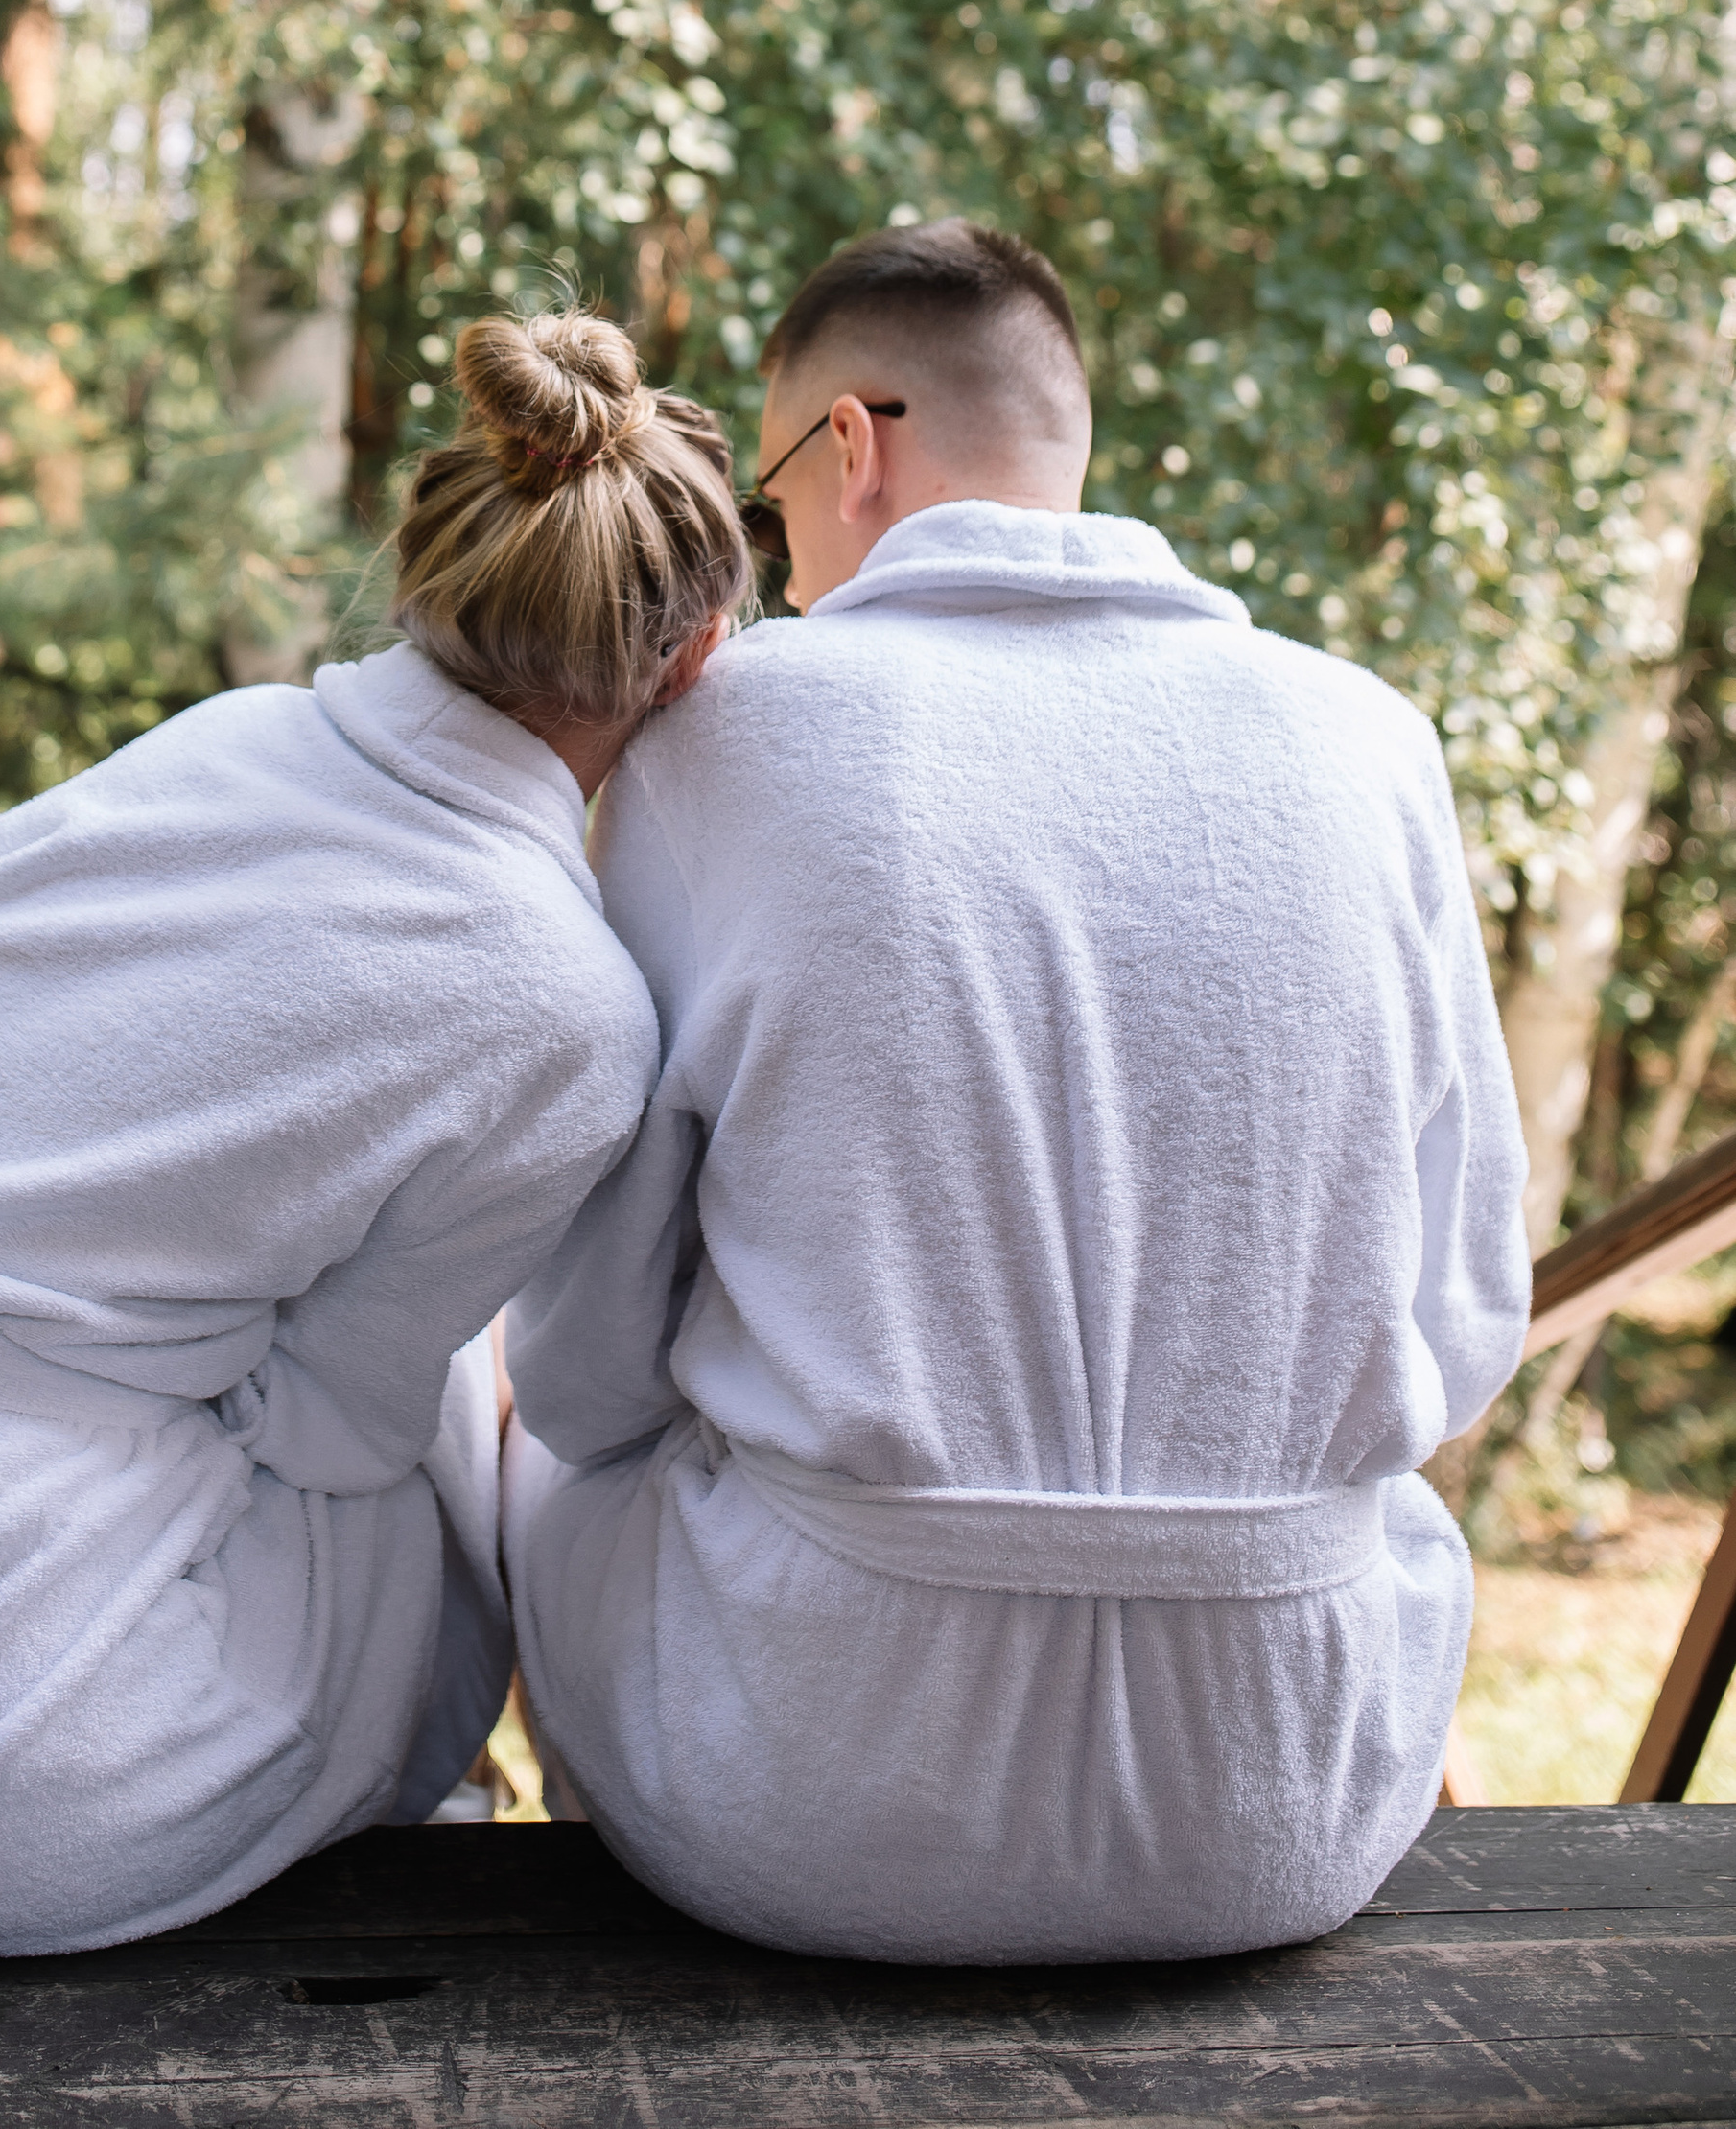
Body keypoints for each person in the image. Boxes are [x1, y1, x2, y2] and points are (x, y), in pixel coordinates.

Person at [0, 307, 749, 1954]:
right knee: (455, 1394)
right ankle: (445, 1798)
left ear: (427, 563)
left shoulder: (204, 751)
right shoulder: (564, 1005)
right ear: (692, 661)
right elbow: (331, 1431)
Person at [504, 220, 1529, 1964]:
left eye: (769, 512)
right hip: (1285, 1802)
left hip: (803, 1803)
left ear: (850, 445)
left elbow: (591, 1366)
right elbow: (1467, 1317)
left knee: (506, 1421)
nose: (778, 575)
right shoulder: (1372, 742)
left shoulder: (720, 739)